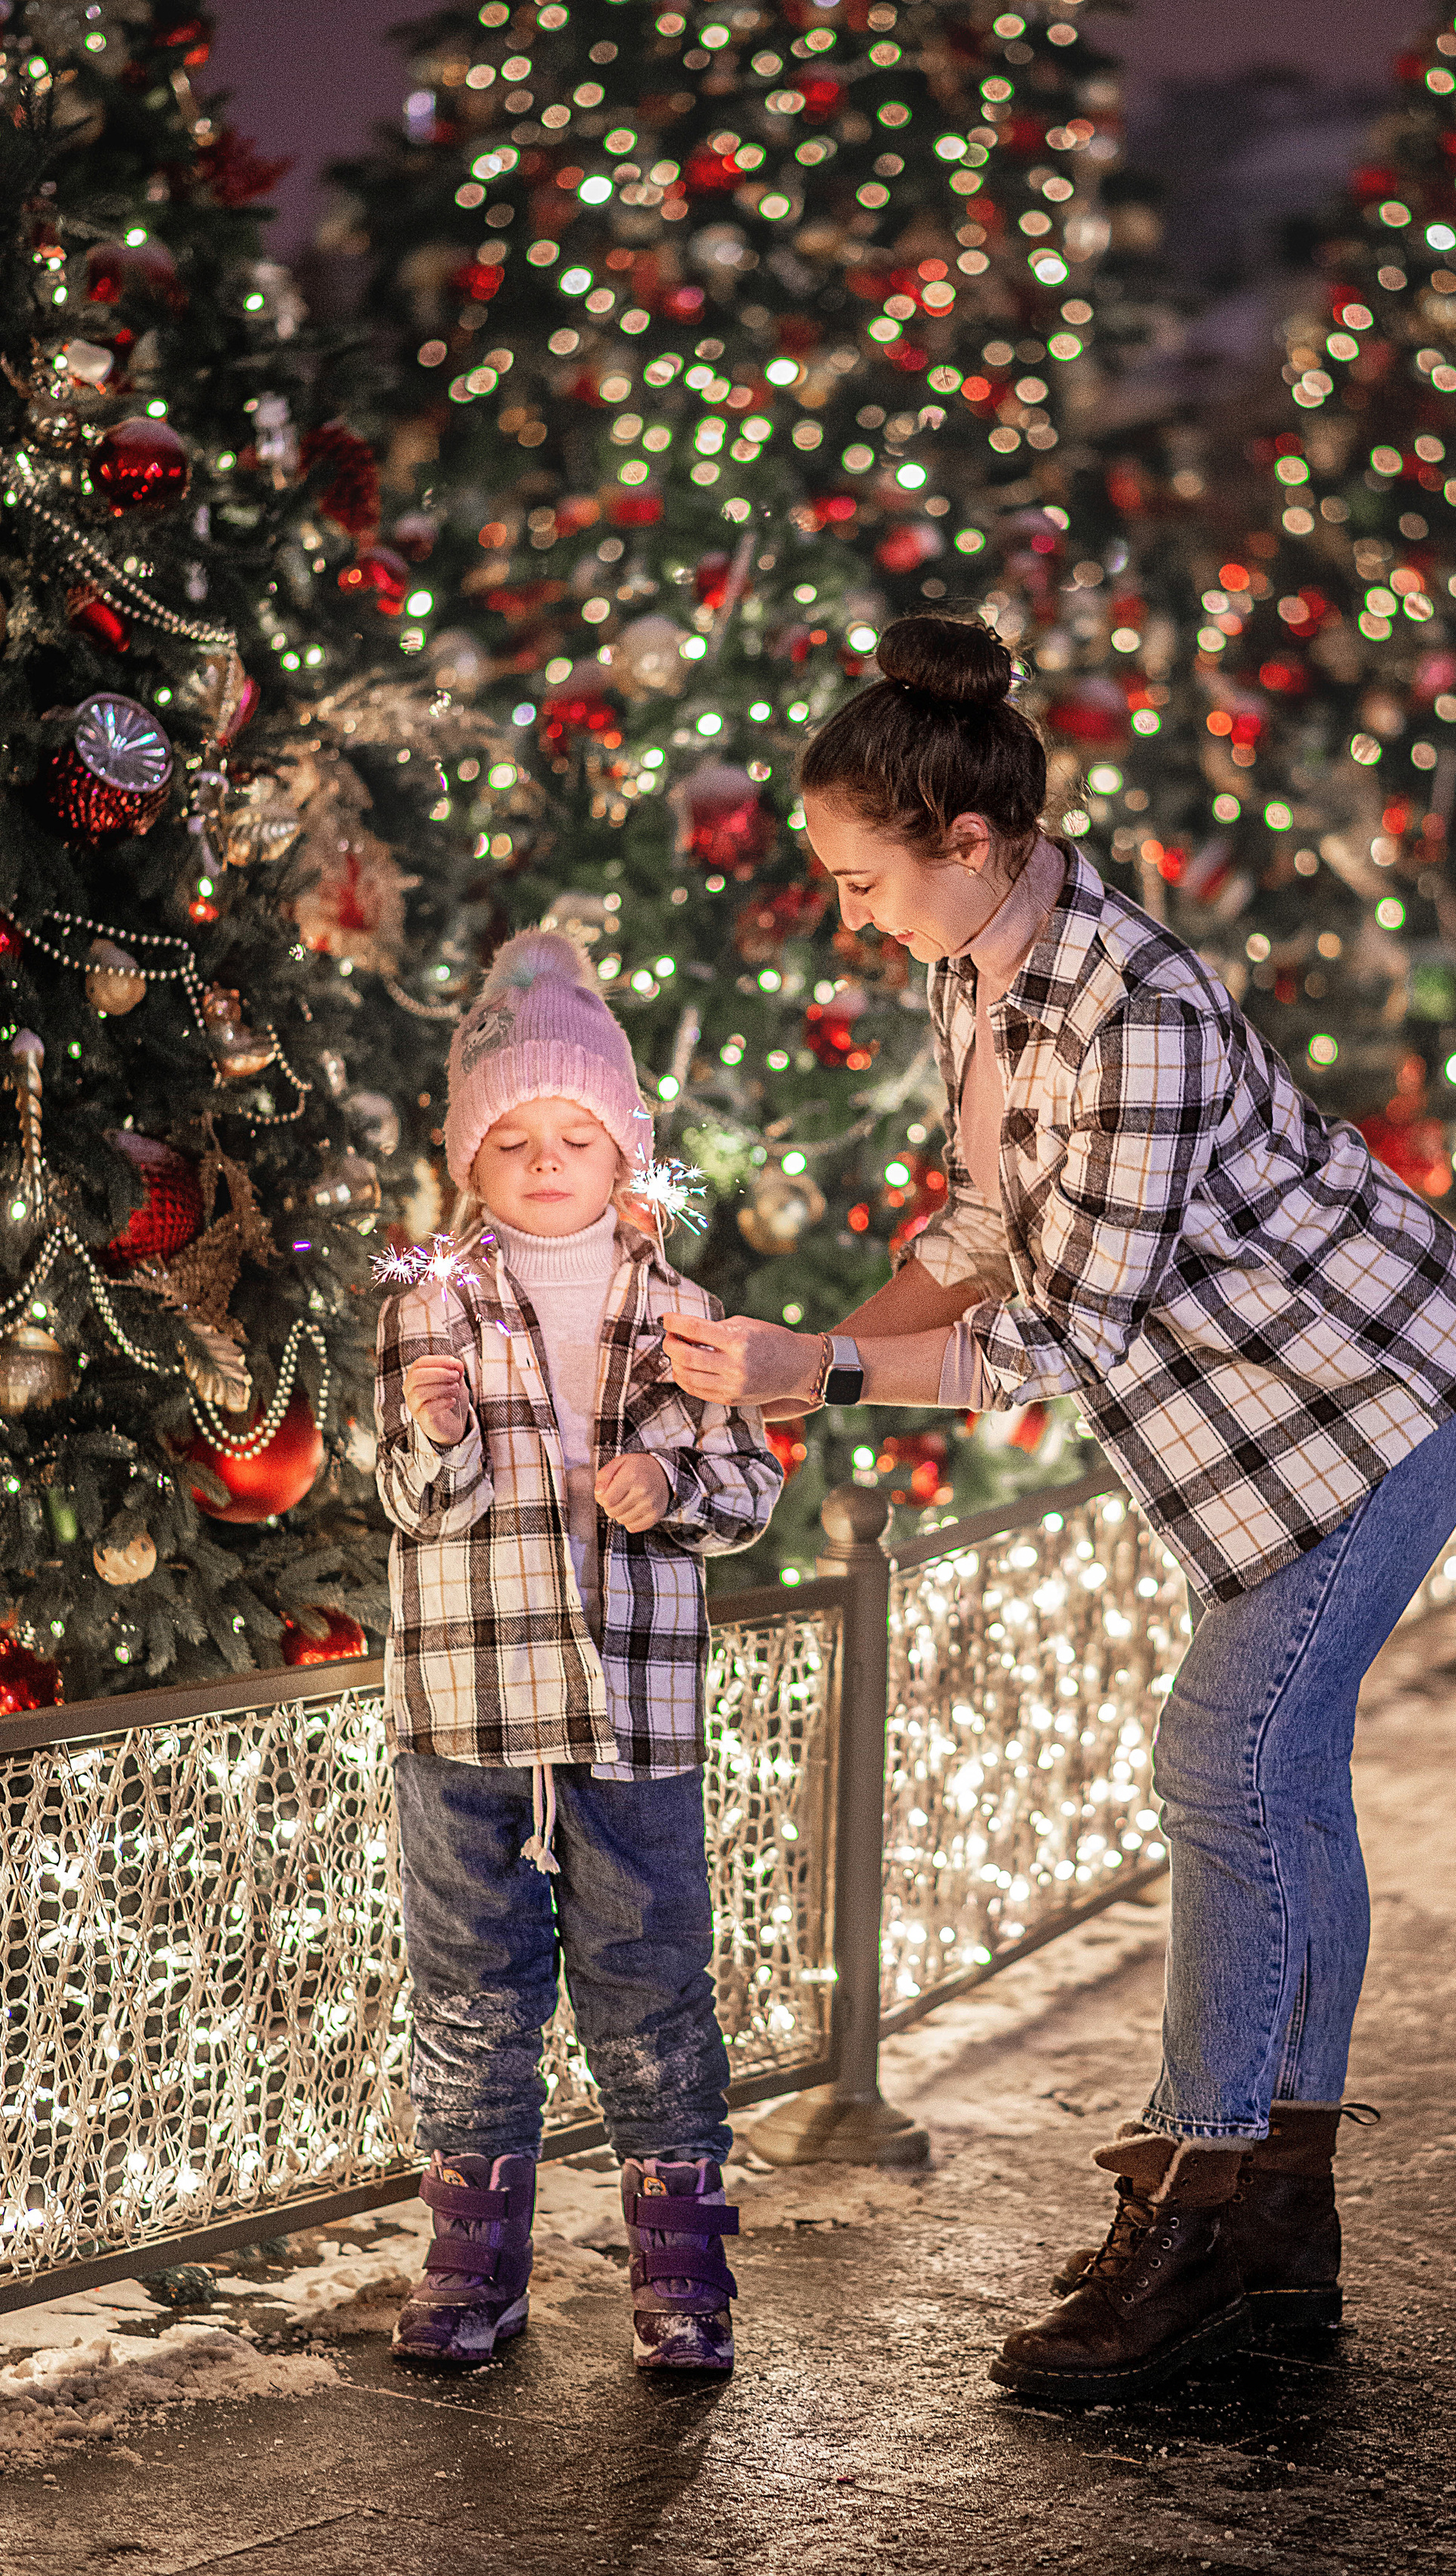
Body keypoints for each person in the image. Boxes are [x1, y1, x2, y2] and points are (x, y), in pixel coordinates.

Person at [661, 615, 1456, 2405]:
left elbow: (1057, 1333)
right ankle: (1283, 2218)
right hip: (1272, 1421)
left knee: (1220, 1760)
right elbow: (984, 1237)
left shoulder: (1136, 1004)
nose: (849, 914)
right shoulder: (978, 967)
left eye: (859, 878)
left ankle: (1195, 2202)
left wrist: (808, 1370)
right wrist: (797, 1370)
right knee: (1279, 1777)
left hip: (1379, 1392)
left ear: (965, 846)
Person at [374, 930, 782, 2375]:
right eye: (513, 1142)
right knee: (473, 1988)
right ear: (469, 1168)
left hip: (632, 1714)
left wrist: (672, 1492)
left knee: (652, 1976)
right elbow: (410, 1510)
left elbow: (749, 1489)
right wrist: (433, 1441)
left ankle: (684, 2274)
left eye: (575, 1136)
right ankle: (472, 2266)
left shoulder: (681, 1312)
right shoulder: (430, 1306)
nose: (547, 1163)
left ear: (625, 1155)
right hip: (468, 1709)